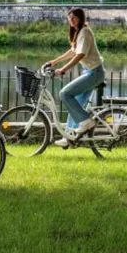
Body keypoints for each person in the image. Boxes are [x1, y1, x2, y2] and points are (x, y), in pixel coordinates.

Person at [45, 8, 105, 148]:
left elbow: (80, 55)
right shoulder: (79, 32)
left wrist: (63, 69)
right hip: (89, 72)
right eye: (69, 18)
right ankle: (69, 137)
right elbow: (73, 52)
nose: (71, 20)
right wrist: (53, 62)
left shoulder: (85, 32)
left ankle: (86, 122)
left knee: (64, 94)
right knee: (75, 105)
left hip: (94, 73)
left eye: (74, 17)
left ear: (80, 18)